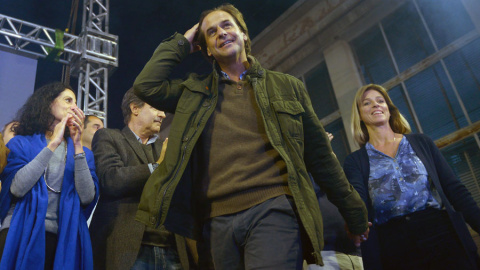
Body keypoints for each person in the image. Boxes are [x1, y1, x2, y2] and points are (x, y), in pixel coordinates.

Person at [133, 4, 369, 269]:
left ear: (244, 34)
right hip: (215, 222)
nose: (221, 33)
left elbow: (321, 157)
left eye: (227, 25)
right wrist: (183, 43)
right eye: (211, 32)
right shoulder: (193, 93)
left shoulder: (286, 86)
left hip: (273, 209)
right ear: (207, 49)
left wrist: (354, 213)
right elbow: (146, 86)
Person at [343, 83, 480, 270]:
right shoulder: (355, 161)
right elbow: (357, 201)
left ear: (389, 110)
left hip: (440, 233)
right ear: (359, 115)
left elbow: (455, 189)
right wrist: (354, 221)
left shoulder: (421, 142)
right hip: (395, 247)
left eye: (380, 101)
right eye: (367, 103)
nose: (375, 105)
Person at [0, 82, 99, 269]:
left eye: (76, 103)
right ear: (48, 103)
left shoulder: (85, 153)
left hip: (64, 239)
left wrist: (77, 145)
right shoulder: (21, 143)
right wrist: (53, 143)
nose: (74, 107)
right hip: (20, 232)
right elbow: (17, 188)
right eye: (68, 100)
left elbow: (87, 197)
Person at [88, 88, 188, 270]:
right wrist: (157, 167)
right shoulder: (109, 137)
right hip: (126, 248)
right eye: (157, 108)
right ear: (135, 109)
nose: (163, 115)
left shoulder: (166, 147)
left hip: (171, 249)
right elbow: (111, 180)